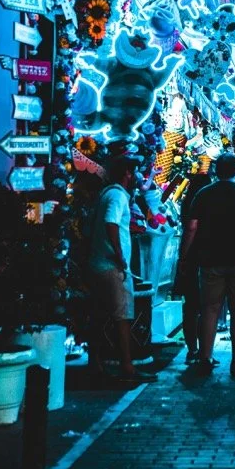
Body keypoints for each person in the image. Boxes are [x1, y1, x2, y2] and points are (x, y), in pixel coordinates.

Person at [186, 153, 235, 379]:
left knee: (210, 309)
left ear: (215, 171)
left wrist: (184, 257)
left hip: (211, 259)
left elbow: (191, 227)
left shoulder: (204, 195)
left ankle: (205, 357)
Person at [86, 155, 158, 387]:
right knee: (123, 316)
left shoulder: (108, 193)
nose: (137, 177)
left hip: (99, 264)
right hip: (111, 267)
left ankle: (95, 363)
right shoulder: (116, 195)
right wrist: (120, 256)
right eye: (135, 172)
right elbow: (111, 223)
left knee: (99, 316)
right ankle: (127, 366)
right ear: (127, 172)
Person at [174, 171, 213, 363]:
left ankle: (193, 349)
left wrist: (182, 257)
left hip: (192, 258)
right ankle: (205, 351)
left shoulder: (188, 203)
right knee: (207, 307)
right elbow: (191, 228)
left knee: (191, 306)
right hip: (207, 256)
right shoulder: (209, 203)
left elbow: (188, 230)